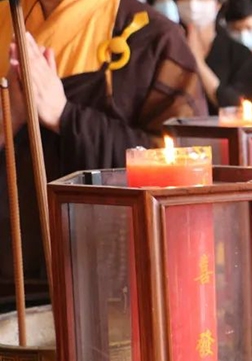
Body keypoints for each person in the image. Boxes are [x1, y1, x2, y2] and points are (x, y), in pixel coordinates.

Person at [0, 0, 208, 303]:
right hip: (7, 286)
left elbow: (188, 168)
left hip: (110, 290)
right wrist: (7, 118)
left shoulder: (150, 38)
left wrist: (65, 116)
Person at [176, 0, 252, 112]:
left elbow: (239, 107)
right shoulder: (165, 44)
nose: (193, 3)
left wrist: (199, 63)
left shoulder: (240, 55)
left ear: (218, 4)